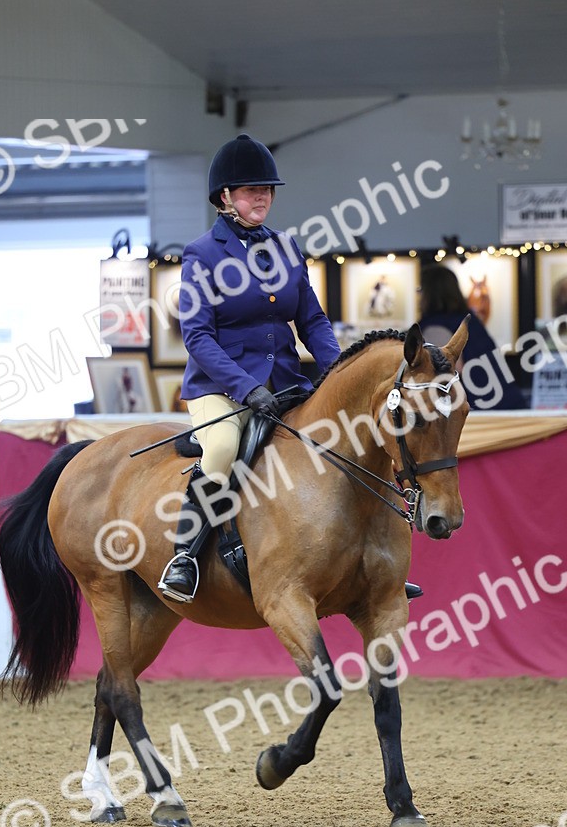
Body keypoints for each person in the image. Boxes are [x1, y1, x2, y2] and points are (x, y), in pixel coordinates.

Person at [157, 134, 425, 605]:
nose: (262, 197)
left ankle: (372, 562)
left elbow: (313, 321)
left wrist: (340, 374)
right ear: (225, 197)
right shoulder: (203, 253)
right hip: (221, 387)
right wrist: (243, 388)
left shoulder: (284, 247)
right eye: (250, 190)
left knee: (351, 440)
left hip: (285, 381)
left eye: (268, 189)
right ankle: (185, 556)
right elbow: (198, 337)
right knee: (221, 449)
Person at [418, 264, 528, 410]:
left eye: (420, 291)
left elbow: (450, 371)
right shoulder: (469, 320)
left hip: (483, 409)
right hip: (506, 402)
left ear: (428, 293)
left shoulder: (436, 326)